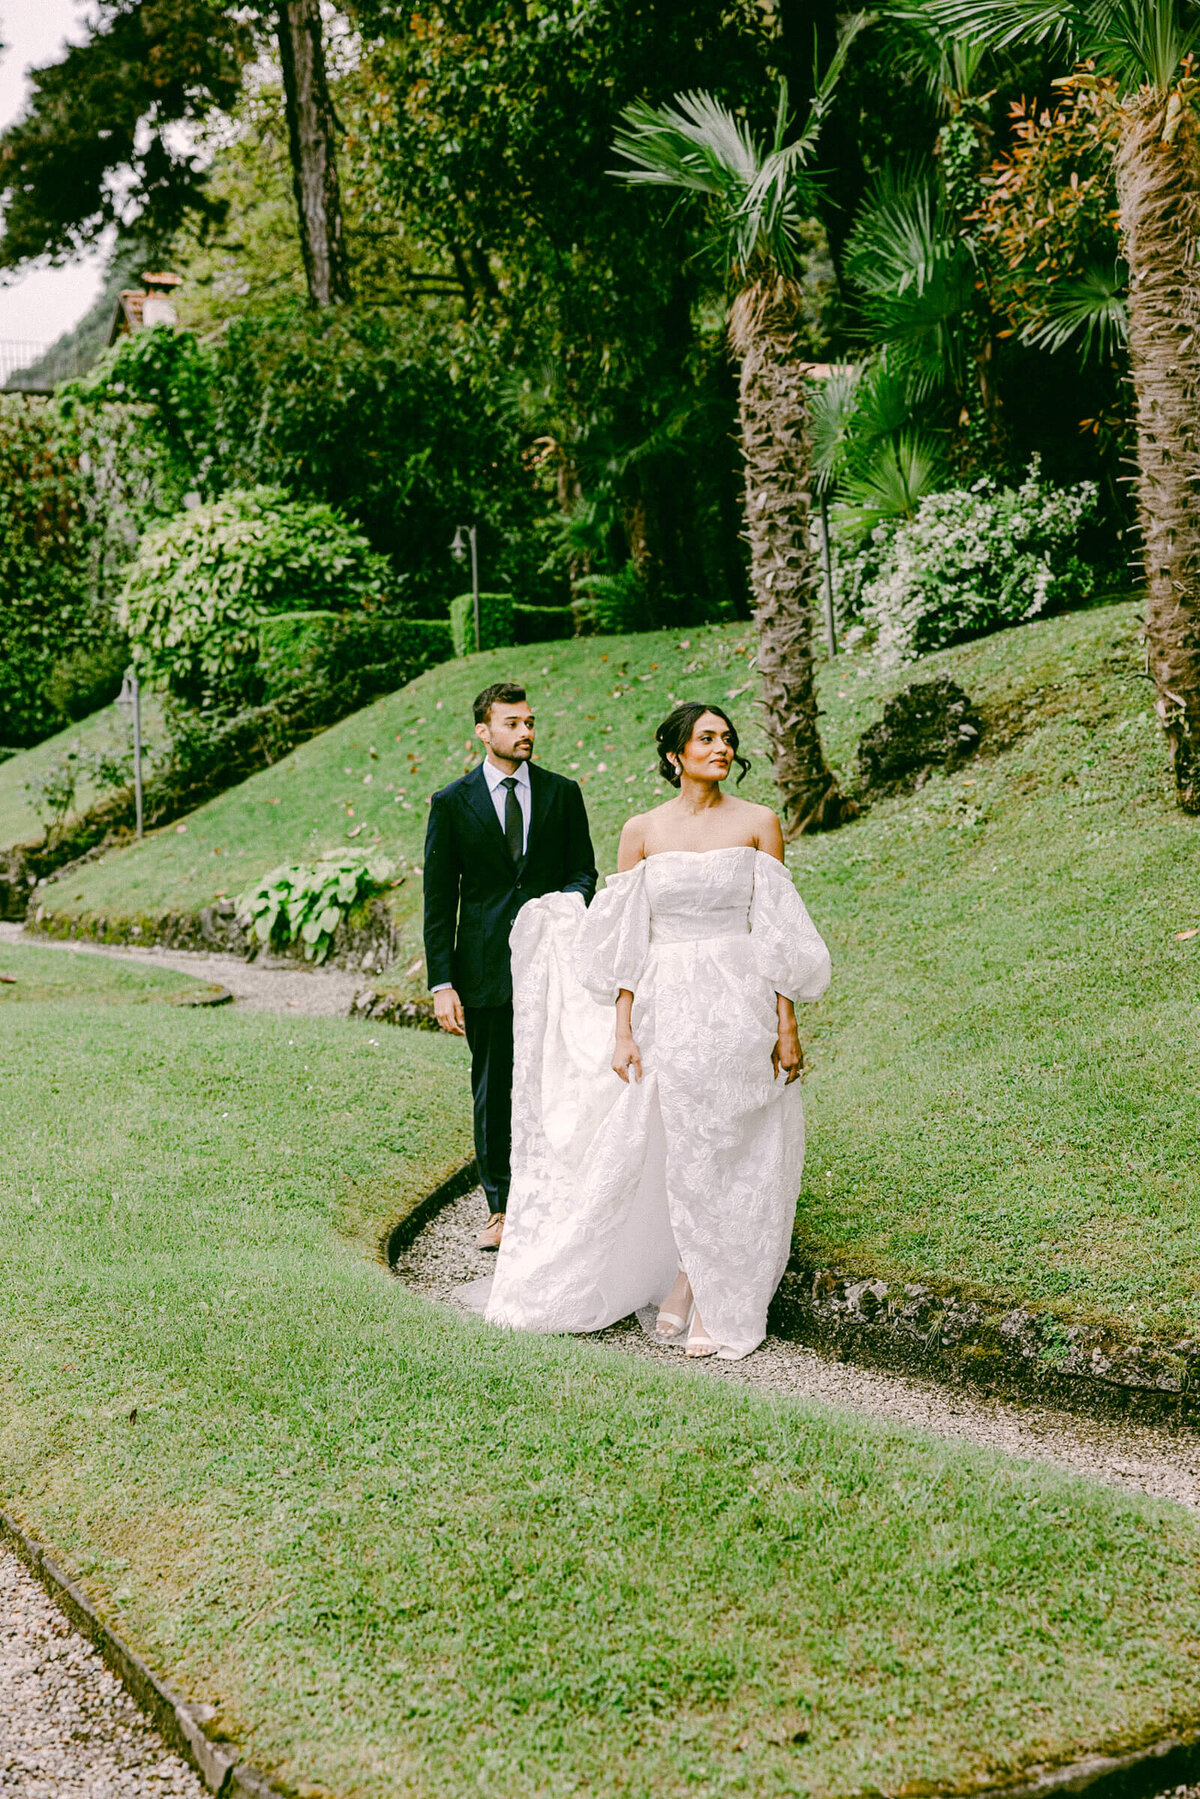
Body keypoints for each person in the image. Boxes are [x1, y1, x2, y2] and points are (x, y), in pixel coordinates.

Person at [476, 701, 831, 1359]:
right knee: (672, 1139)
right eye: (706, 738)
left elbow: (779, 932)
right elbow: (627, 939)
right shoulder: (641, 831)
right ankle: (684, 1274)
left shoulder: (760, 823)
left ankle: (702, 1283)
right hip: (665, 1001)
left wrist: (787, 1025)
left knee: (727, 1140)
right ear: (676, 754)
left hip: (735, 998)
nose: (721, 748)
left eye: (727, 738)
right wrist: (622, 1030)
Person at [423, 681, 598, 1249]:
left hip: (553, 966)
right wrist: (442, 982)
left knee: (557, 1080)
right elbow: (438, 900)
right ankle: (500, 1206)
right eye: (512, 724)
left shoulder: (561, 793)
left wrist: (563, 912)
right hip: (485, 969)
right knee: (494, 1087)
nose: (525, 732)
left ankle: (556, 1194)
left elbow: (583, 873)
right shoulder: (452, 803)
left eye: (529, 722)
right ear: (484, 731)